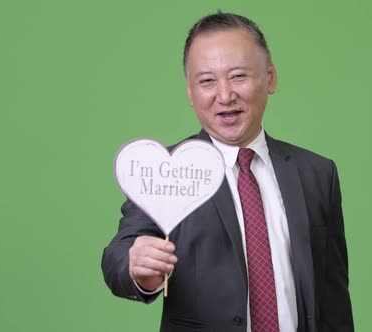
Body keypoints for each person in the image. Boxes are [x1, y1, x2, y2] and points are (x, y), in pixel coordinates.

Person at [102, 11, 354, 332]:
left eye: (238, 76)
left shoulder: (317, 174)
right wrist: (136, 267)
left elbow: (333, 299)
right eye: (207, 81)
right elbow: (118, 254)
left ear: (270, 78)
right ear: (191, 93)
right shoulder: (167, 171)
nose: (224, 95)